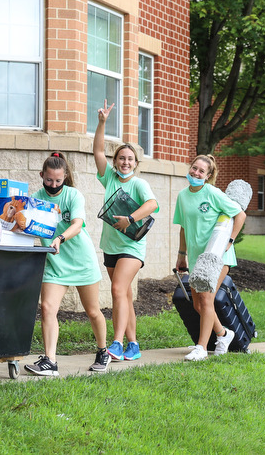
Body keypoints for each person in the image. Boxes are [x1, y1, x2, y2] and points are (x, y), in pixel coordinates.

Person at [24, 151, 110, 376]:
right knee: (47, 308)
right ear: (42, 175)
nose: (53, 184)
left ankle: (103, 351)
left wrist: (60, 238)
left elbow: (78, 224)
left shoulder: (73, 196)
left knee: (92, 312)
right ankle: (50, 360)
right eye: (49, 180)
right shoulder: (36, 198)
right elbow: (27, 225)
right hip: (54, 262)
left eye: (58, 181)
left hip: (81, 260)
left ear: (65, 177)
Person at [93, 100, 159, 362]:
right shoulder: (108, 177)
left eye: (130, 159)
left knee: (118, 290)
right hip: (110, 245)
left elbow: (153, 204)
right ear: (116, 160)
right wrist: (101, 123)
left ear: (135, 163)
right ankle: (134, 344)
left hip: (132, 246)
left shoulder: (140, 184)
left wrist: (130, 219)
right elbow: (97, 151)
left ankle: (117, 343)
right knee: (126, 295)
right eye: (121, 158)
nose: (125, 162)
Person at [173, 154, 246, 361]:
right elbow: (183, 227)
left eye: (201, 171)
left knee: (206, 299)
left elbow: (240, 215)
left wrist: (229, 241)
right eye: (194, 168)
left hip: (217, 257)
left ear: (208, 175)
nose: (195, 173)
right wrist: (181, 256)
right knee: (197, 304)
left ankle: (202, 348)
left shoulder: (213, 193)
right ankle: (224, 334)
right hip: (196, 258)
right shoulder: (182, 196)